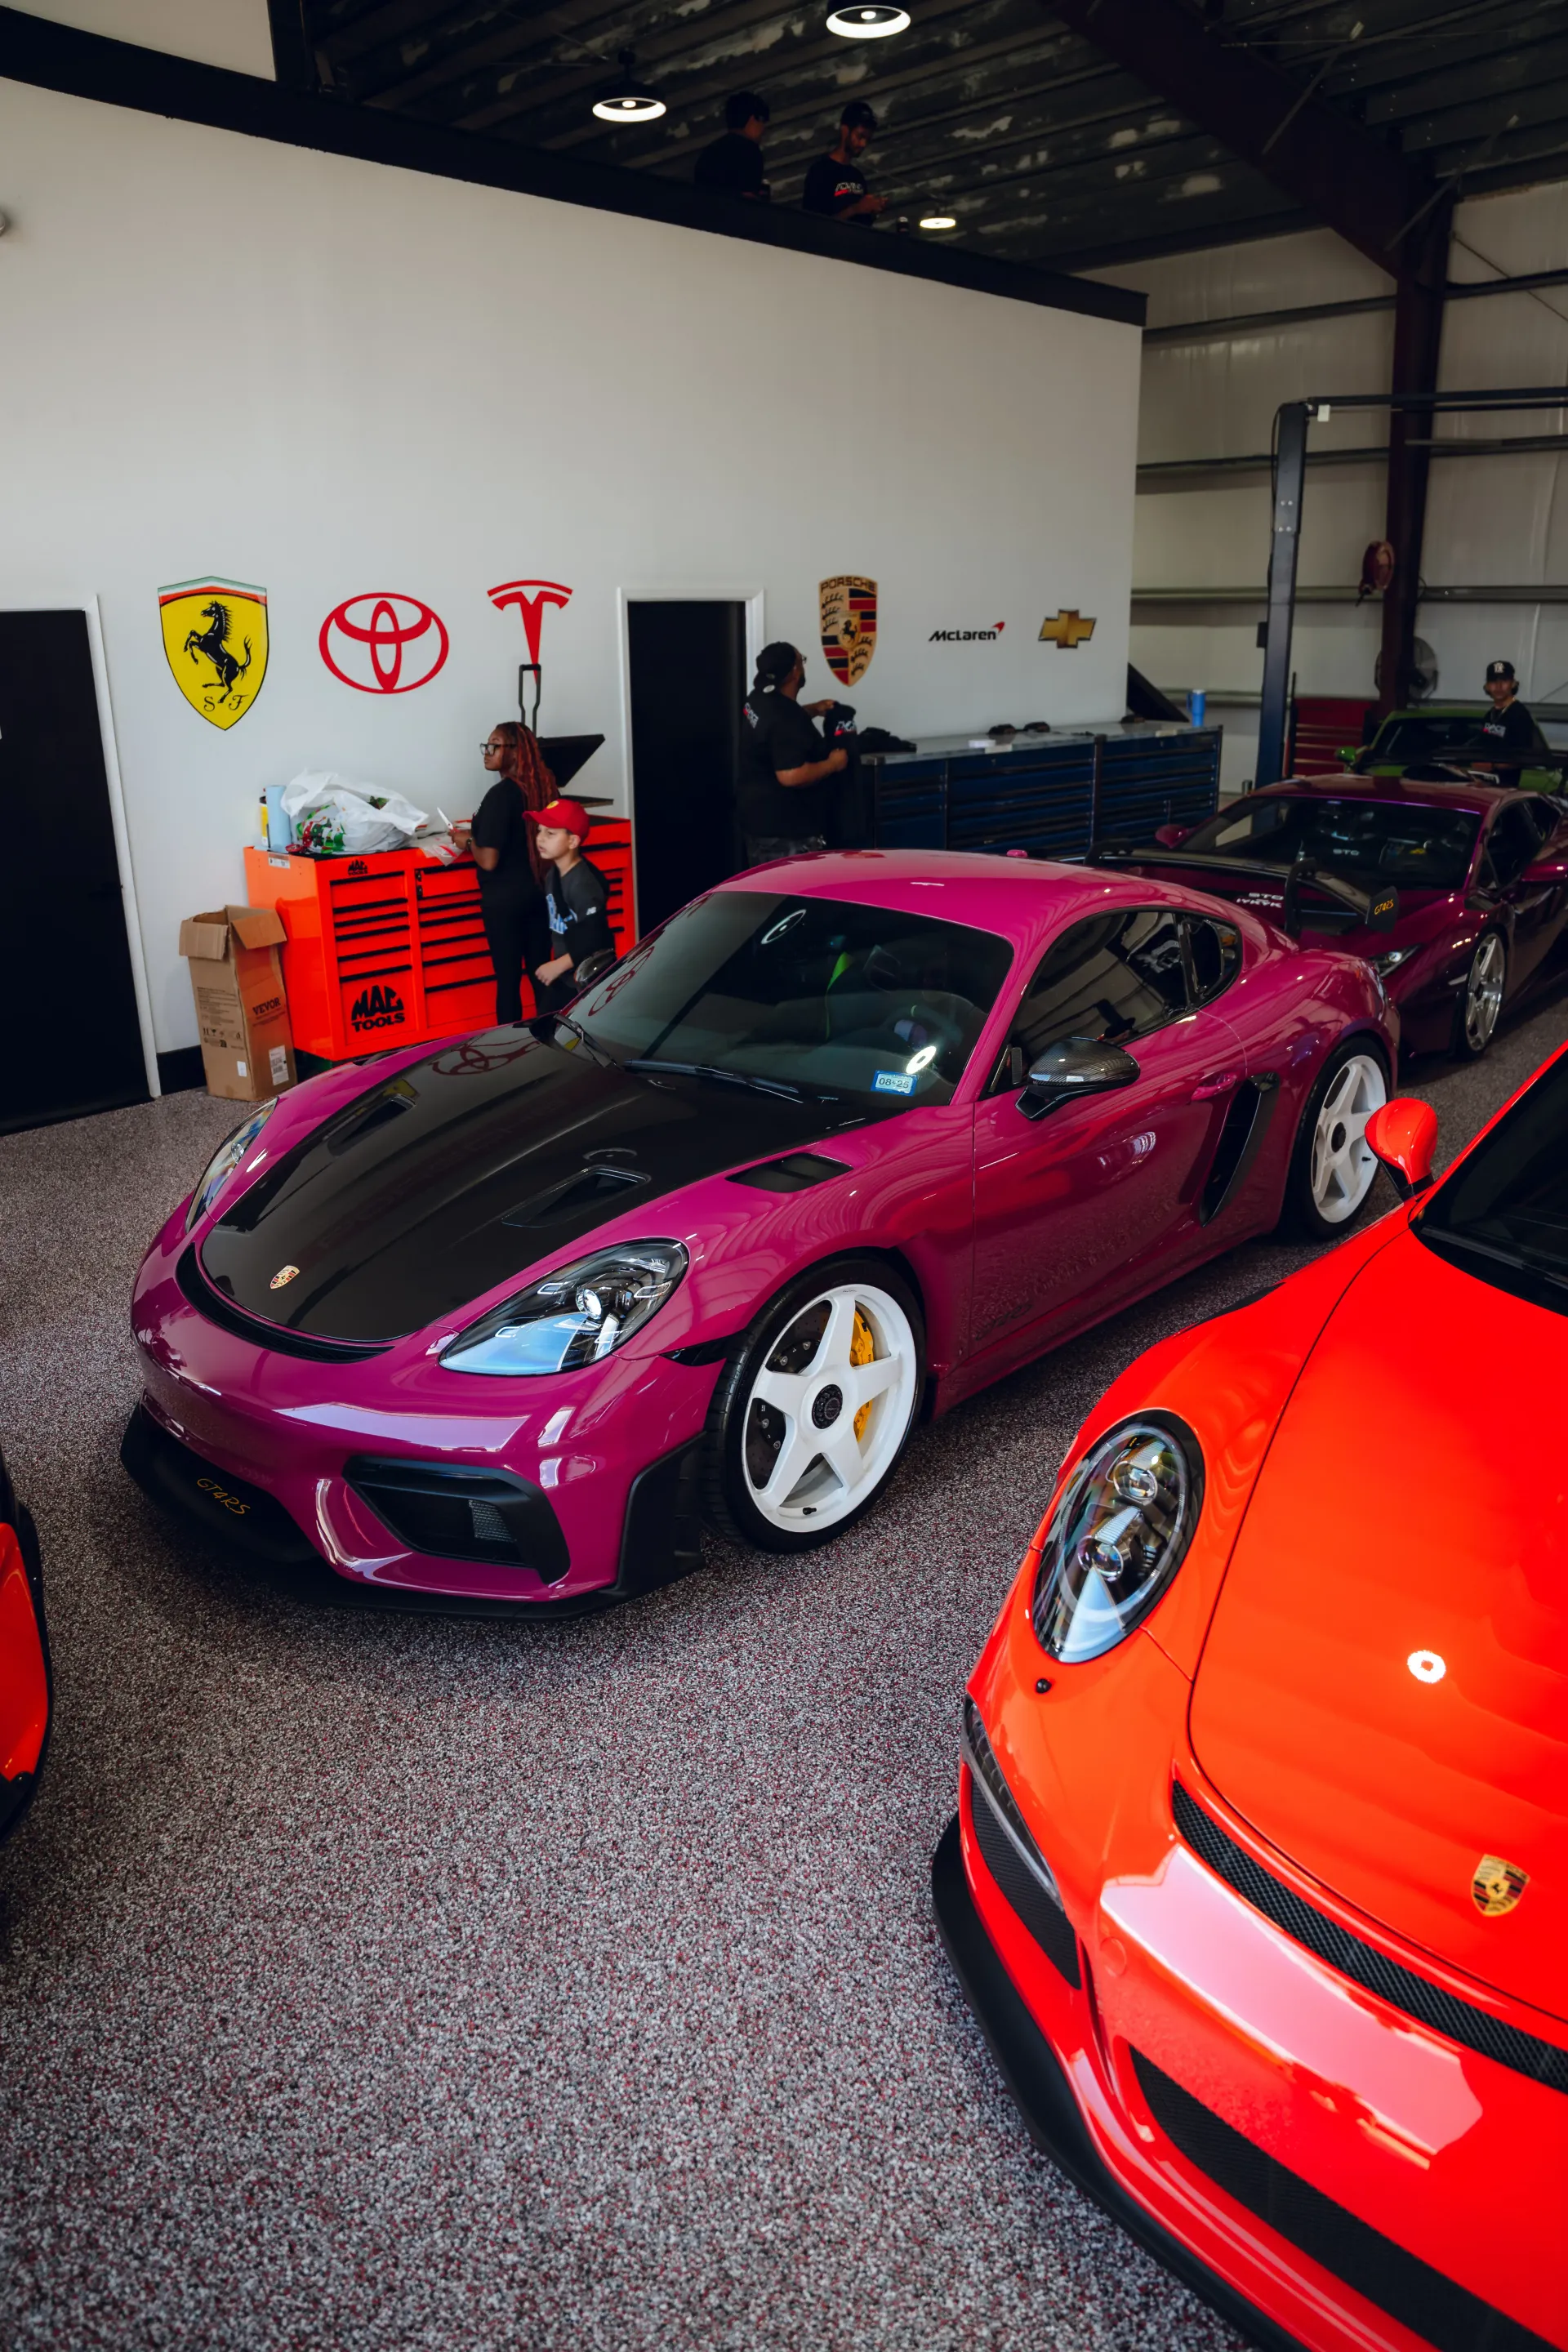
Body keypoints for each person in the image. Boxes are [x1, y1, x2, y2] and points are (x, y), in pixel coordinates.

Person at [466, 721, 555, 1023]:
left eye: (495, 745)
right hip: (539, 895)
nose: (486, 752)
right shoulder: (544, 789)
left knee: (508, 982)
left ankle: (510, 1047)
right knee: (542, 974)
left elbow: (488, 860)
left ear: (515, 753)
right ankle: (553, 1039)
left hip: (504, 902)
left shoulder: (501, 795)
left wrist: (467, 841)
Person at [737, 641, 849, 864]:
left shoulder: (758, 699)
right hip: (786, 832)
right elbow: (791, 775)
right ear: (794, 672)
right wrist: (833, 764)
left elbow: (775, 728)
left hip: (758, 820)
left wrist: (813, 710)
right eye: (801, 661)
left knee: (765, 892)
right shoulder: (786, 720)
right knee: (791, 895)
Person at [528, 797, 614, 1013]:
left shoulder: (583, 885)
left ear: (573, 841)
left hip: (584, 979)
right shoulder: (553, 875)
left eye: (551, 833)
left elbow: (596, 937)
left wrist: (558, 966)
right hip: (565, 978)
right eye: (539, 830)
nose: (540, 838)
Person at [802, 101, 885, 225]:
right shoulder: (820, 171)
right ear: (845, 131)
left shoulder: (857, 176)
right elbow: (813, 225)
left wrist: (872, 210)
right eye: (860, 136)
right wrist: (856, 209)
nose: (863, 144)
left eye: (867, 139)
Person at [694, 91, 771, 199]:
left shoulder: (710, 152)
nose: (763, 128)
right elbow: (748, 200)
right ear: (752, 120)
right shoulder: (750, 151)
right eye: (763, 121)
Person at [1473, 658, 1535, 781]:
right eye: (1493, 681)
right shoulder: (1489, 716)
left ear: (1513, 683)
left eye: (1504, 680)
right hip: (1486, 785)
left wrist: (1494, 765)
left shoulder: (1520, 715)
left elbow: (1525, 756)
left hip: (1508, 788)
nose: (1499, 686)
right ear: (1487, 686)